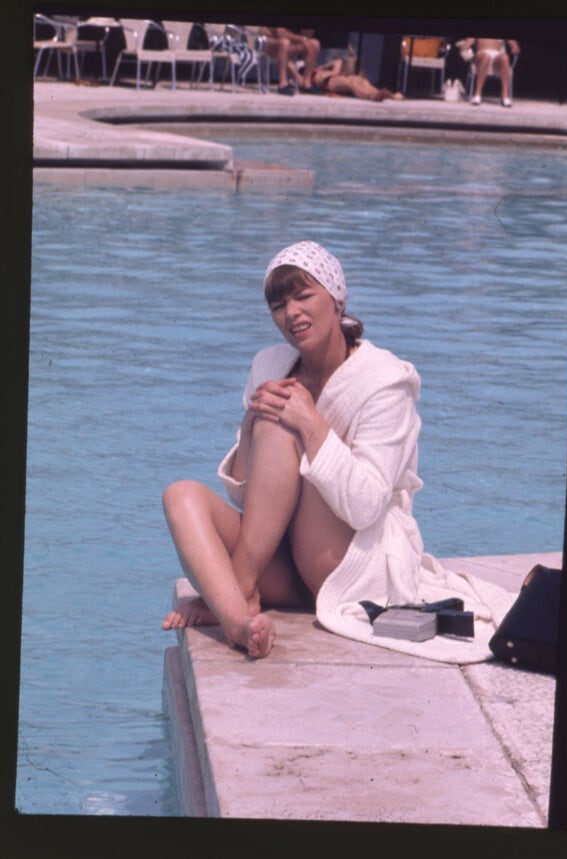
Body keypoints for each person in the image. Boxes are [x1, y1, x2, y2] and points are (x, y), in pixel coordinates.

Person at [161, 241, 516, 662]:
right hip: (280, 564)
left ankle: (236, 590)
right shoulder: (269, 365)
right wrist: (251, 422)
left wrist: (310, 424)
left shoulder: (385, 381)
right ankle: (239, 619)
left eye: (303, 296)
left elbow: (366, 507)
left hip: (348, 564)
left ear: (336, 298)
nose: (291, 313)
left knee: (279, 426)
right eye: (278, 305)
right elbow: (247, 496)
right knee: (180, 495)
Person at [306, 57, 404, 101]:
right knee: (352, 83)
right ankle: (374, 95)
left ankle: (381, 93)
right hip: (329, 81)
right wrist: (336, 65)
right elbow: (335, 72)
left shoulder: (320, 69)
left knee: (360, 80)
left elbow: (336, 68)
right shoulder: (312, 75)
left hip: (334, 78)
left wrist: (327, 66)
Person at [258, 26, 321, 95]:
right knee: (284, 43)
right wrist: (302, 39)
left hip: (287, 44)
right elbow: (281, 34)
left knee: (314, 43)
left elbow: (308, 36)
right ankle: (283, 84)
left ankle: (306, 84)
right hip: (267, 42)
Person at [460, 37, 520, 107]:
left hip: (497, 56)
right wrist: (469, 55)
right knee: (486, 57)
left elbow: (514, 46)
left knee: (505, 58)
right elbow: (465, 47)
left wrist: (514, 47)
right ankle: (477, 94)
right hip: (481, 54)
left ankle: (505, 96)